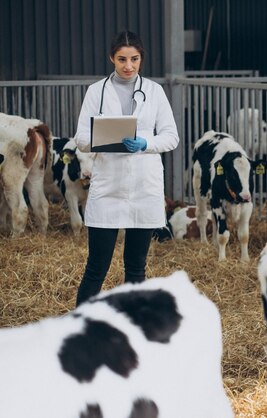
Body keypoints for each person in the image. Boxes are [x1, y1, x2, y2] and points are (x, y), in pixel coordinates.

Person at [73, 31, 179, 305]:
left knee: (136, 267)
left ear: (141, 59)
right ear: (112, 58)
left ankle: (135, 330)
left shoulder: (155, 91)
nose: (128, 66)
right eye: (122, 59)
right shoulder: (96, 91)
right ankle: (79, 330)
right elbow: (81, 138)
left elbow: (171, 137)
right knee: (96, 268)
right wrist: (103, 139)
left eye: (134, 59)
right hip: (108, 185)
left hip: (143, 186)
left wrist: (145, 143)